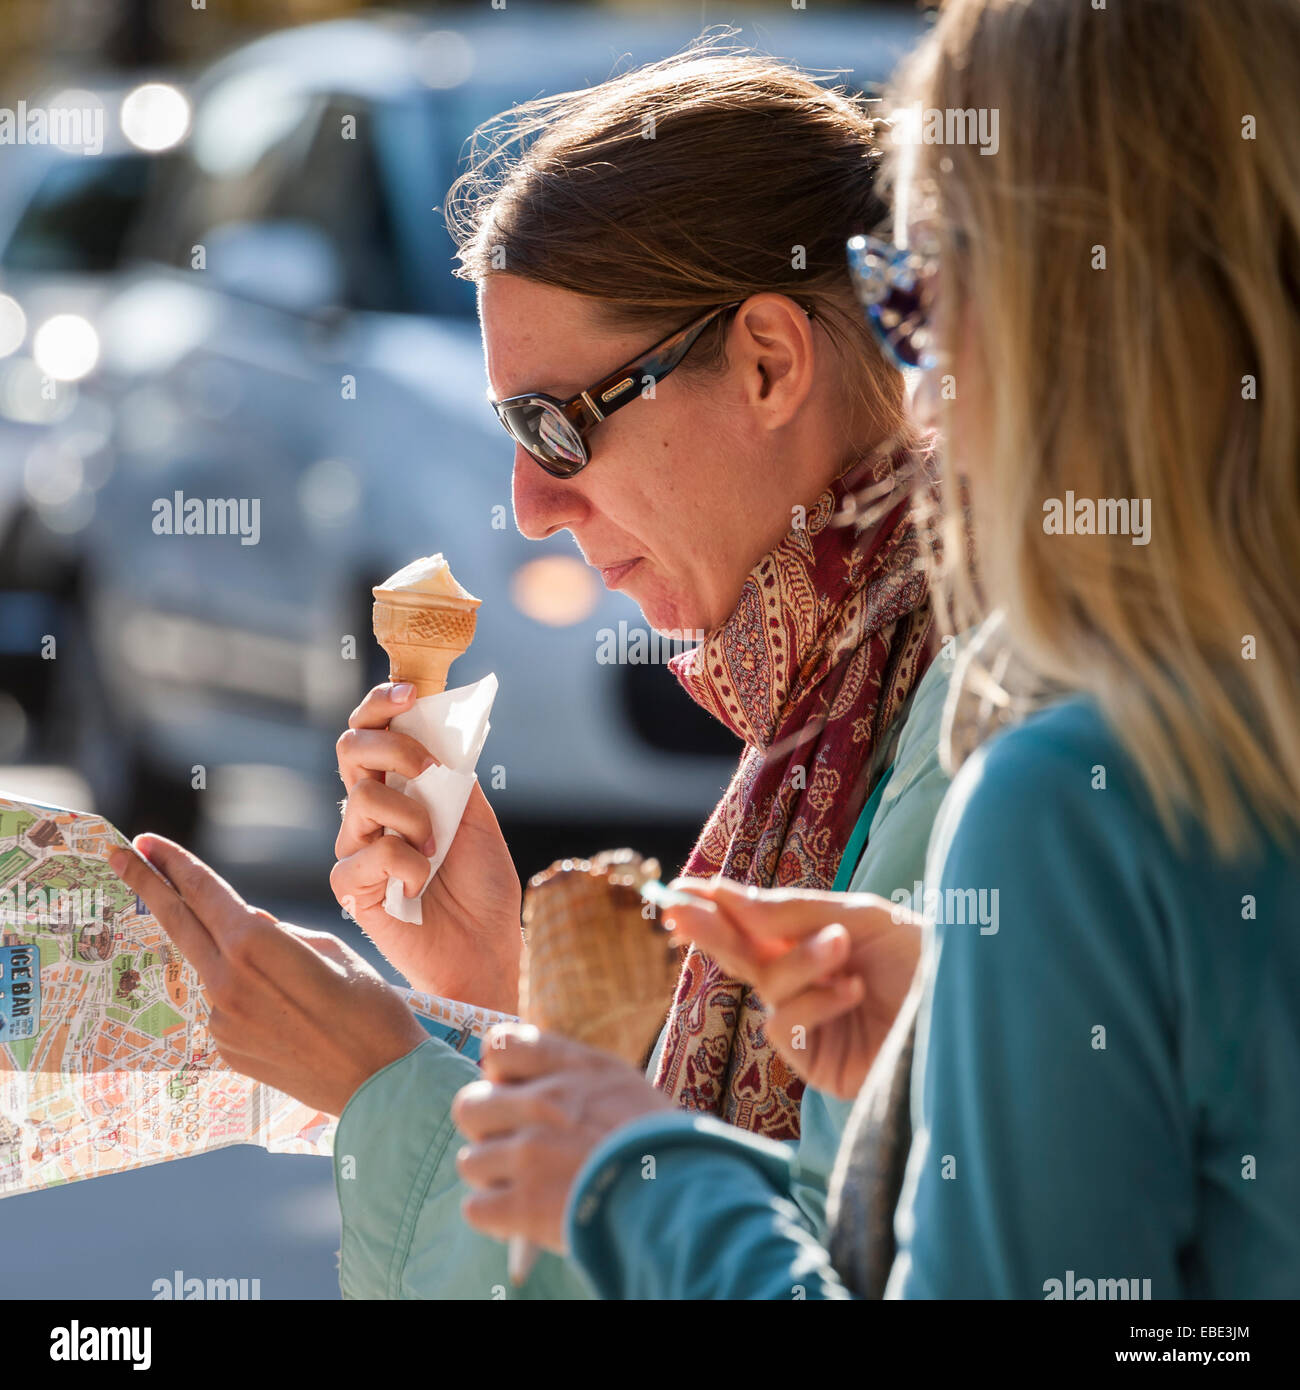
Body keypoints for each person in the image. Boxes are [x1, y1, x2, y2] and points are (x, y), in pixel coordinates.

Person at [448, 0, 1300, 1298]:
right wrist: (943, 1043)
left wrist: (638, 1178)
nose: (912, 358)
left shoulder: (1068, 777)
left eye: (914, 285)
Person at [110, 47, 956, 1299]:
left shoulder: (967, 721)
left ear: (771, 362)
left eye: (558, 422)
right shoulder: (842, 688)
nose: (531, 501)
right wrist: (494, 978)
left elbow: (800, 1264)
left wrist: (385, 1088)